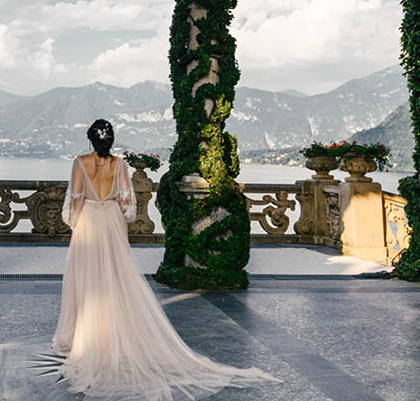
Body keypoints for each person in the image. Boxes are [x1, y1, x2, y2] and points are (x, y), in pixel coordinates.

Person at [49, 118, 280, 400]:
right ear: (110, 139)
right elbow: (127, 203)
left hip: (89, 223)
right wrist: (115, 215)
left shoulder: (79, 162)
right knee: (116, 278)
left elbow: (75, 197)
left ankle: (83, 340)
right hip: (110, 221)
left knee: (87, 278)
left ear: (91, 139)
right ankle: (111, 334)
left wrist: (75, 222)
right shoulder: (119, 164)